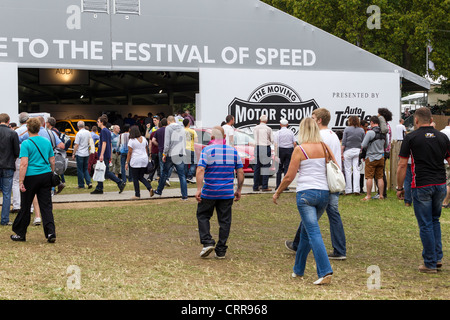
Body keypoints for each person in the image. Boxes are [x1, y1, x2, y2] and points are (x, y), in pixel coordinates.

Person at [274, 118, 334, 285]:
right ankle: (298, 269)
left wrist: (277, 192)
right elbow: (335, 166)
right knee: (307, 232)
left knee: (313, 232)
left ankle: (325, 271)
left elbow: (289, 176)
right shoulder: (324, 147)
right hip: (324, 194)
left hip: (306, 194)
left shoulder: (300, 149)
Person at [396, 107, 449, 273]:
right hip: (440, 184)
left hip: (421, 185)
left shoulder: (411, 137)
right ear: (431, 118)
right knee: (434, 220)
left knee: (425, 224)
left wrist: (399, 188)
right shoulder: (442, 137)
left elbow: (402, 164)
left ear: (416, 120)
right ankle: (437, 258)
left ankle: (430, 262)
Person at [195, 126, 244, 259]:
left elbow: (200, 170)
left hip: (209, 192)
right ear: (224, 138)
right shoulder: (233, 152)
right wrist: (238, 190)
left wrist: (199, 189)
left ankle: (207, 242)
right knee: (225, 221)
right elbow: (240, 172)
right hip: (227, 193)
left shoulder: (207, 150)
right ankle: (221, 250)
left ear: (212, 138)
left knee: (203, 216)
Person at [11, 117, 56, 243]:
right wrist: (51, 172)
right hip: (45, 175)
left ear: (27, 128)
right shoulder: (46, 141)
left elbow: (24, 164)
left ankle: (21, 233)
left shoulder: (26, 143)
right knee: (46, 206)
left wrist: (21, 181)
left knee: (25, 205)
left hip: (30, 177)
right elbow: (52, 160)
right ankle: (50, 232)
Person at [90, 115, 126, 195]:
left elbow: (104, 143)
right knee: (101, 170)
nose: (97, 123)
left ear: (102, 122)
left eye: (98, 121)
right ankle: (99, 187)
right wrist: (109, 154)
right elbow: (109, 143)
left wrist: (101, 154)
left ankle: (119, 182)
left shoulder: (103, 131)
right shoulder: (108, 132)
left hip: (103, 154)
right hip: (106, 154)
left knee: (105, 171)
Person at [154, 116, 188, 200]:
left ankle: (159, 190)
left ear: (168, 121)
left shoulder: (168, 128)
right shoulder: (182, 128)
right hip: (180, 153)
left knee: (165, 173)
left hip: (171, 153)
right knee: (182, 175)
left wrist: (164, 154)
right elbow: (184, 141)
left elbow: (167, 143)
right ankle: (184, 195)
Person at [361, 116, 388, 201]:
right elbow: (386, 145)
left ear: (372, 122)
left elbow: (363, 145)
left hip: (371, 157)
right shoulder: (384, 133)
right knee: (380, 177)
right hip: (381, 157)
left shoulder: (370, 133)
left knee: (369, 177)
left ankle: (368, 195)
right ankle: (381, 195)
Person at [0, 113, 20, 226]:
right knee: (7, 194)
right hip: (8, 165)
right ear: (8, 121)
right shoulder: (13, 133)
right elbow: (17, 152)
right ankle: (4, 219)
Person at [125, 125, 154, 200]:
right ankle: (149, 187)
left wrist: (126, 162)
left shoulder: (131, 140)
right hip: (144, 159)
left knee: (135, 178)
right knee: (140, 176)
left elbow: (129, 152)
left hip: (135, 160)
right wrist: (147, 157)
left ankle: (137, 194)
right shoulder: (144, 139)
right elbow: (146, 149)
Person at [341, 116, 365, 195]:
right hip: (358, 151)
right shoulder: (361, 130)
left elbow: (343, 142)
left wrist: (341, 153)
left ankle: (348, 190)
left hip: (348, 151)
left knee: (347, 170)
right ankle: (356, 190)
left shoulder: (347, 129)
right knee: (356, 170)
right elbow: (363, 142)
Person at [11, 112, 29, 214]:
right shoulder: (32, 130)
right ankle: (30, 206)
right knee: (29, 181)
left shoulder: (17, 132)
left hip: (18, 158)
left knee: (16, 181)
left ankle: (17, 205)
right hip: (30, 159)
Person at [252, 115, 273, 192]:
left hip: (257, 147)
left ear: (260, 120)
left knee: (257, 167)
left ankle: (255, 186)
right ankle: (264, 186)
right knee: (265, 167)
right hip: (265, 147)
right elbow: (272, 139)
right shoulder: (268, 129)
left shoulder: (255, 128)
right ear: (266, 121)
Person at [274, 119, 296, 191]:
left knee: (279, 168)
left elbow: (276, 144)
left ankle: (278, 185)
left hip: (280, 150)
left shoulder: (278, 132)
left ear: (280, 124)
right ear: (287, 124)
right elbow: (294, 143)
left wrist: (276, 154)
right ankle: (285, 186)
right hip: (289, 150)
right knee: (287, 168)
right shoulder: (291, 132)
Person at [72, 121, 93, 189]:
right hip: (86, 153)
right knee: (85, 169)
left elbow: (76, 144)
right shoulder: (88, 132)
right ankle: (89, 182)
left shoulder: (78, 134)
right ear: (84, 126)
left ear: (78, 127)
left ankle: (81, 185)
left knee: (80, 169)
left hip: (80, 153)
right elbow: (90, 142)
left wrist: (73, 153)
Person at [152, 118, 173, 187]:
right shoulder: (170, 131)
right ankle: (166, 178)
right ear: (167, 123)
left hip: (161, 150)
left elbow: (153, 140)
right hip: (169, 150)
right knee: (170, 166)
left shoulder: (158, 131)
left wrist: (158, 145)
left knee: (162, 166)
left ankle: (162, 180)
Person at [184, 118, 198, 184]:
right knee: (194, 162)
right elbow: (196, 140)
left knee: (186, 164)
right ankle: (189, 176)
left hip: (183, 149)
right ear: (189, 123)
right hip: (191, 148)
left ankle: (187, 178)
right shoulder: (192, 131)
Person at [440, 119, 450, 208]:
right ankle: (444, 202)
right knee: (448, 183)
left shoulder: (441, 132)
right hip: (448, 161)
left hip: (442, 160)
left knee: (444, 181)